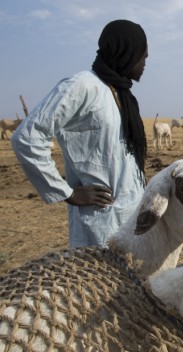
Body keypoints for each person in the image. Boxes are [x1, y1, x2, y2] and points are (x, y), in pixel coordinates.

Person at [11, 19, 149, 248]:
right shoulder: (83, 86)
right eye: (142, 55)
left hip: (131, 221)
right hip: (99, 225)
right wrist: (68, 193)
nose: (145, 61)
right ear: (126, 52)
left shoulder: (121, 95)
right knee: (97, 282)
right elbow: (27, 137)